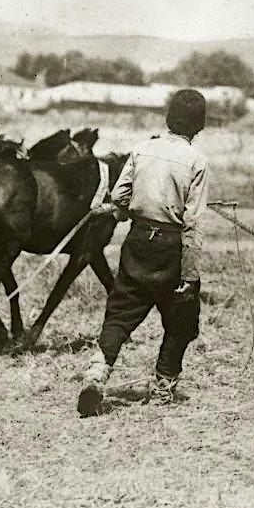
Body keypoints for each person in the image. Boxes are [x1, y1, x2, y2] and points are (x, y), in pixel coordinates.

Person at [77, 88, 210, 416]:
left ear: (168, 118)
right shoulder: (196, 161)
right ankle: (163, 387)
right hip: (171, 246)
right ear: (199, 125)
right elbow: (193, 224)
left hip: (137, 241)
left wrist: (128, 211)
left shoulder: (141, 149)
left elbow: (120, 196)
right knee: (181, 319)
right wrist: (190, 275)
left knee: (120, 312)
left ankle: (96, 373)